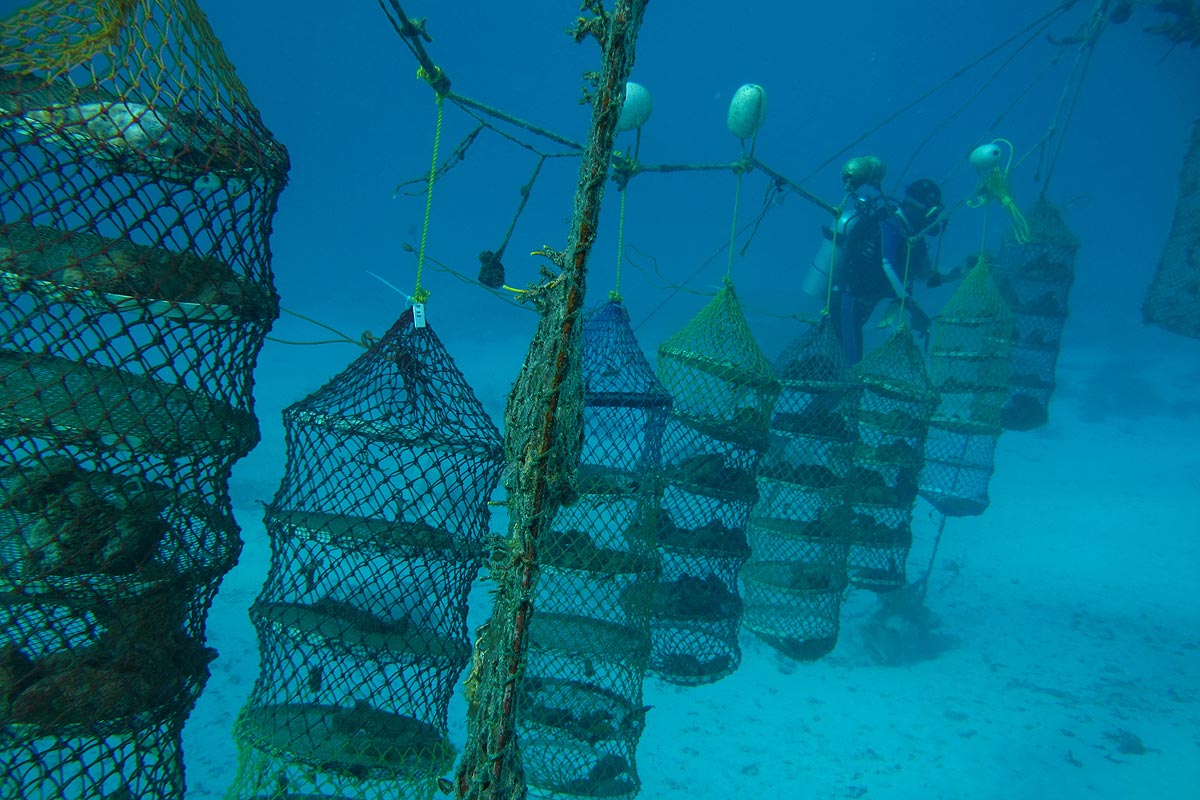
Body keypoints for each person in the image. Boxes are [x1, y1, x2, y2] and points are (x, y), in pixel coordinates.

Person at [826, 178, 957, 363]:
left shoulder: (913, 237)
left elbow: (927, 276)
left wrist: (960, 274)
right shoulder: (890, 224)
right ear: (914, 207)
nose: (932, 219)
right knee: (851, 364)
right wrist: (913, 310)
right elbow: (886, 265)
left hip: (867, 303)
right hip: (848, 301)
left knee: (848, 362)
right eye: (930, 212)